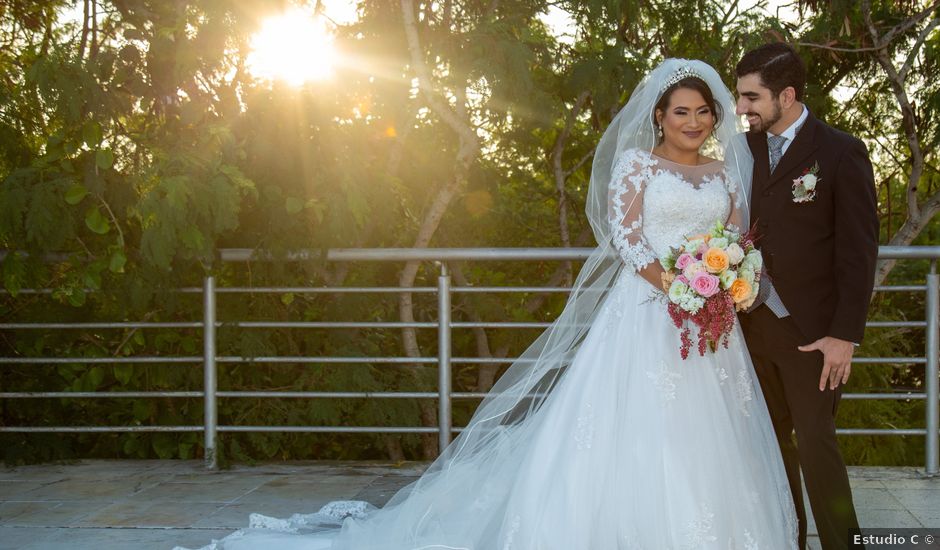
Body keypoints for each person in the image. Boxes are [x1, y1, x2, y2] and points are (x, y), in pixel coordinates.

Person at [180, 59, 798, 550]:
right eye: (680, 111)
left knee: (708, 437)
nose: (692, 121)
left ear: (714, 119)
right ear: (659, 116)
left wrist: (726, 281)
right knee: (628, 431)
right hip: (645, 313)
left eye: (702, 112)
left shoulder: (723, 176)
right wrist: (673, 285)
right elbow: (626, 236)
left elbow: (737, 242)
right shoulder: (637, 165)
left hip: (709, 326)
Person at [734, 43, 879, 550]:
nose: (741, 109)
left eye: (751, 97)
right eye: (739, 96)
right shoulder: (741, 149)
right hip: (749, 326)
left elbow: (859, 253)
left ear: (787, 95)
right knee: (771, 448)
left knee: (816, 443)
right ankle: (787, 539)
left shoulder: (841, 151)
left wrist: (845, 336)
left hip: (814, 335)